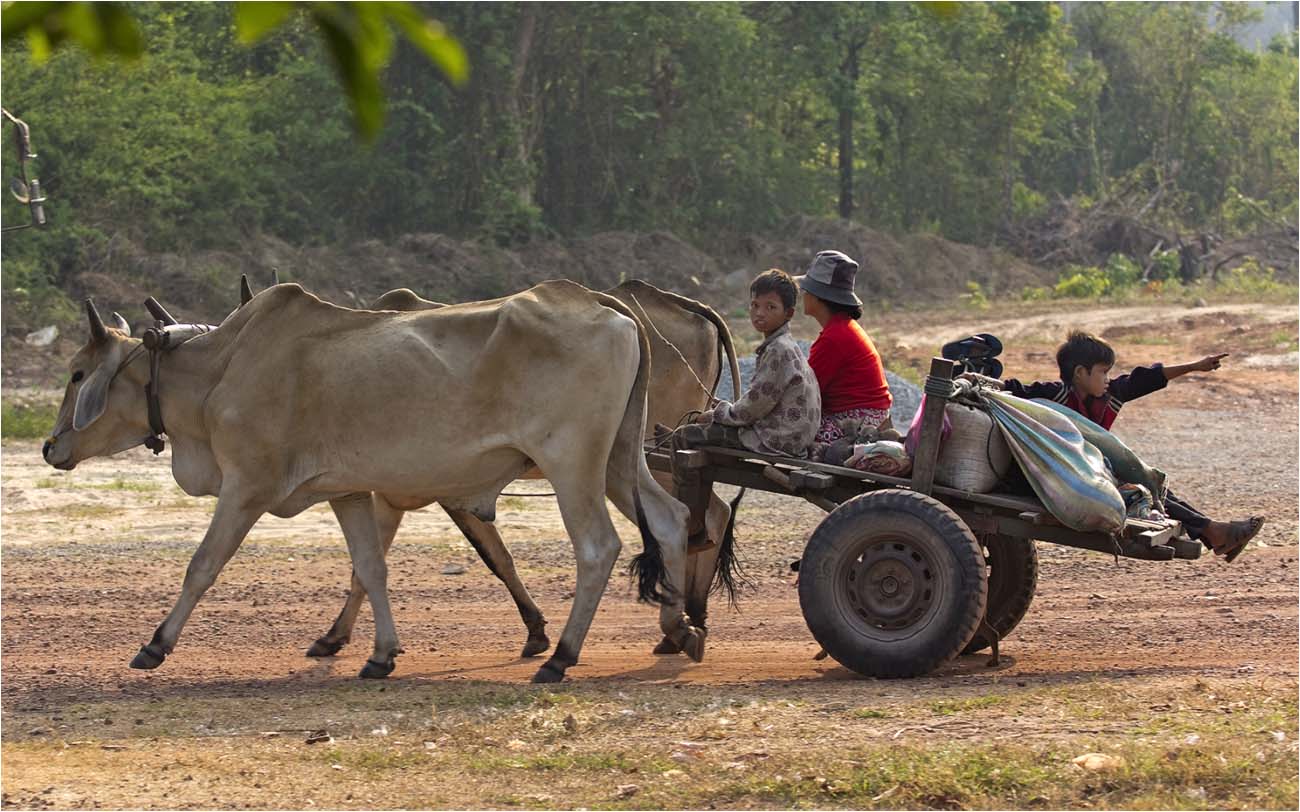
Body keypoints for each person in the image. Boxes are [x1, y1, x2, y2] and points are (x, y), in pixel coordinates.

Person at [990, 330, 1264, 561]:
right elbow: (1011, 389)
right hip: (1055, 477)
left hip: (1090, 473)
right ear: (1080, 373)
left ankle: (1213, 531)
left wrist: (1194, 366)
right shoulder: (1053, 394)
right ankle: (1213, 532)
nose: (1108, 379)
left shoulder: (1109, 396)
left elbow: (1145, 379)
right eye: (1103, 372)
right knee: (1138, 486)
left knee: (1150, 486)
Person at [679, 268, 821, 458]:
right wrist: (727, 408)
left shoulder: (778, 350)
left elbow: (751, 409)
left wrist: (718, 414)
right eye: (755, 305)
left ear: (789, 313)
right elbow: (760, 400)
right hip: (792, 436)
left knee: (685, 435)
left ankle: (683, 488)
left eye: (770, 307)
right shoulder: (785, 345)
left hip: (778, 439)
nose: (759, 313)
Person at [795, 250, 894, 462]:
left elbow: (807, 394)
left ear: (818, 296)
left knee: (785, 433)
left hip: (858, 421)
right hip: (870, 415)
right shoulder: (842, 329)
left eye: (807, 289)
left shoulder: (834, 338)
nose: (803, 293)